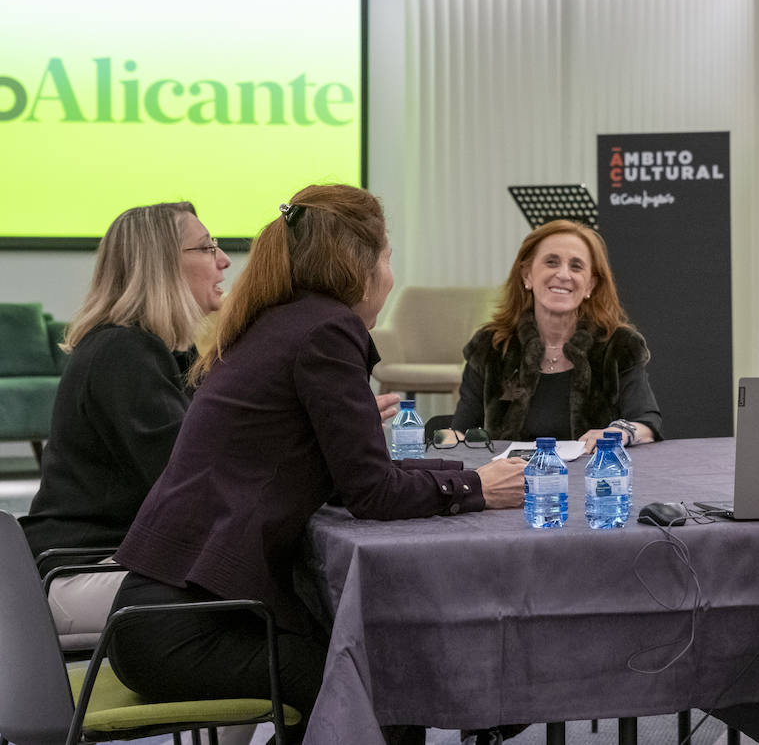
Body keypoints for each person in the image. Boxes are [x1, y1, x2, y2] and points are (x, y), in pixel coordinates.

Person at [107, 185, 527, 744]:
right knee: (387, 674)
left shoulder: (276, 322)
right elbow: (374, 494)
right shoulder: (325, 331)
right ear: (360, 264)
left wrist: (461, 476)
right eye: (388, 256)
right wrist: (477, 486)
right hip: (189, 634)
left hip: (158, 620)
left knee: (373, 660)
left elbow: (353, 476)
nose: (390, 273)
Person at [20, 202, 231, 649]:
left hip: (109, 564)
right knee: (259, 596)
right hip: (79, 572)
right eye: (208, 246)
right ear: (162, 265)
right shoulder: (124, 352)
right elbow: (185, 482)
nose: (224, 259)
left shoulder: (167, 353)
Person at [450, 218, 663, 453]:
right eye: (551, 262)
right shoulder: (491, 346)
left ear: (590, 285)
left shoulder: (619, 346)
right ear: (527, 275)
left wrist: (619, 432)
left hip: (593, 483)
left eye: (576, 266)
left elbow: (646, 423)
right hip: (509, 483)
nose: (563, 274)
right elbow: (461, 432)